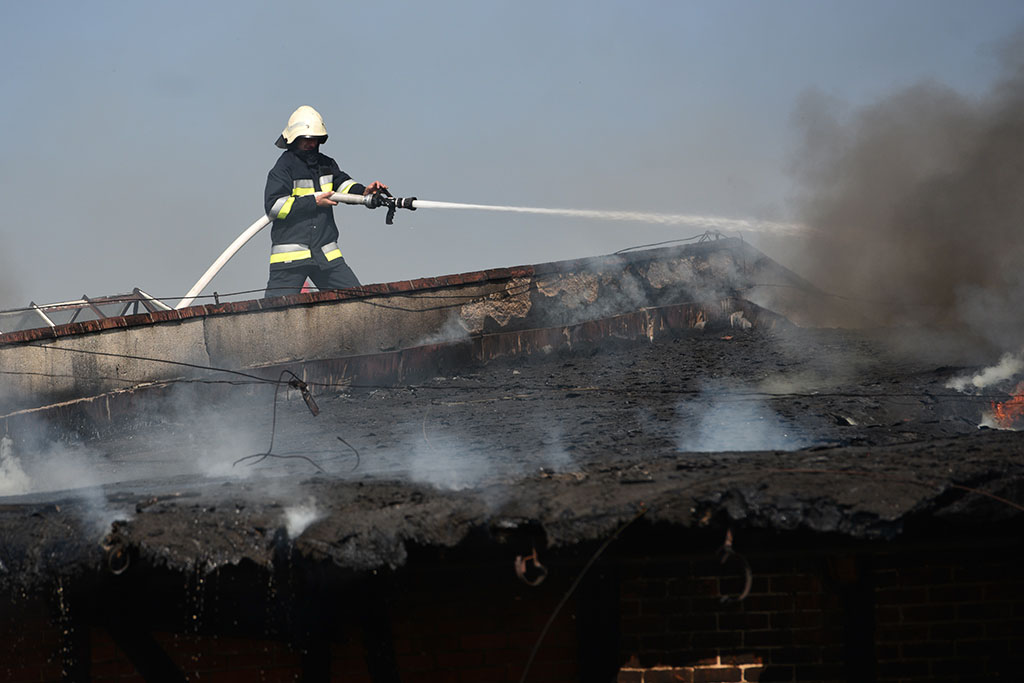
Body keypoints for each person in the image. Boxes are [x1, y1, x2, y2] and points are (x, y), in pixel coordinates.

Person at [263, 105, 388, 298]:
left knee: (357, 302)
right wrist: (313, 202)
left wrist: (365, 192)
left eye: (315, 139)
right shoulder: (283, 168)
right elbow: (274, 207)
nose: (311, 144)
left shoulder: (326, 164)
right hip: (291, 259)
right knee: (275, 311)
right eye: (306, 139)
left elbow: (343, 185)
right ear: (294, 139)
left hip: (326, 255)